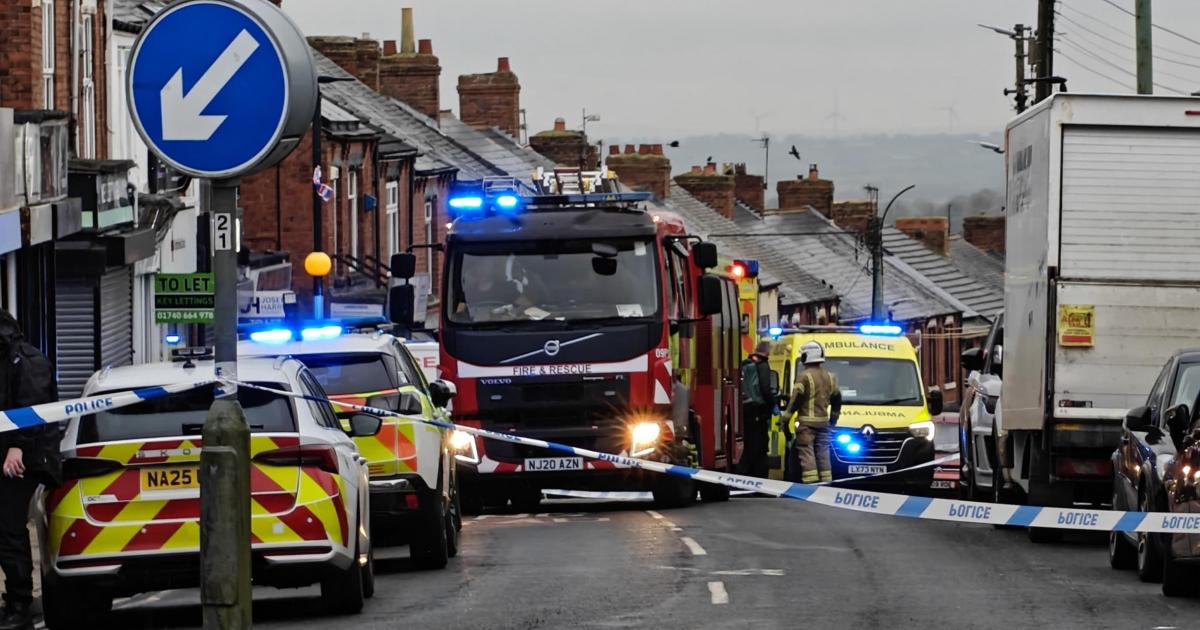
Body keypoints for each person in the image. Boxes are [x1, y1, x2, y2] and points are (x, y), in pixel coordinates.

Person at [0, 311, 60, 630]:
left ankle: (20, 603)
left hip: (23, 460)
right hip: (8, 456)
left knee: (8, 528)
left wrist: (18, 446)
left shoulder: (25, 360)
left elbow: (32, 409)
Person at [785, 341, 842, 484]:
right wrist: (833, 420)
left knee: (806, 451)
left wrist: (786, 418)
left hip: (806, 424)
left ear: (807, 356)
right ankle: (826, 483)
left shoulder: (804, 376)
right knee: (823, 452)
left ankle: (811, 484)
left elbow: (796, 399)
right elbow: (837, 399)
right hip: (824, 423)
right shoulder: (830, 376)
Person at [739, 341, 775, 479]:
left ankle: (743, 478)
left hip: (744, 411)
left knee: (746, 448)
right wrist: (773, 403)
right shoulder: (763, 365)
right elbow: (765, 390)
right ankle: (759, 481)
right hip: (758, 412)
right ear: (767, 352)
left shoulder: (745, 364)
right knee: (759, 449)